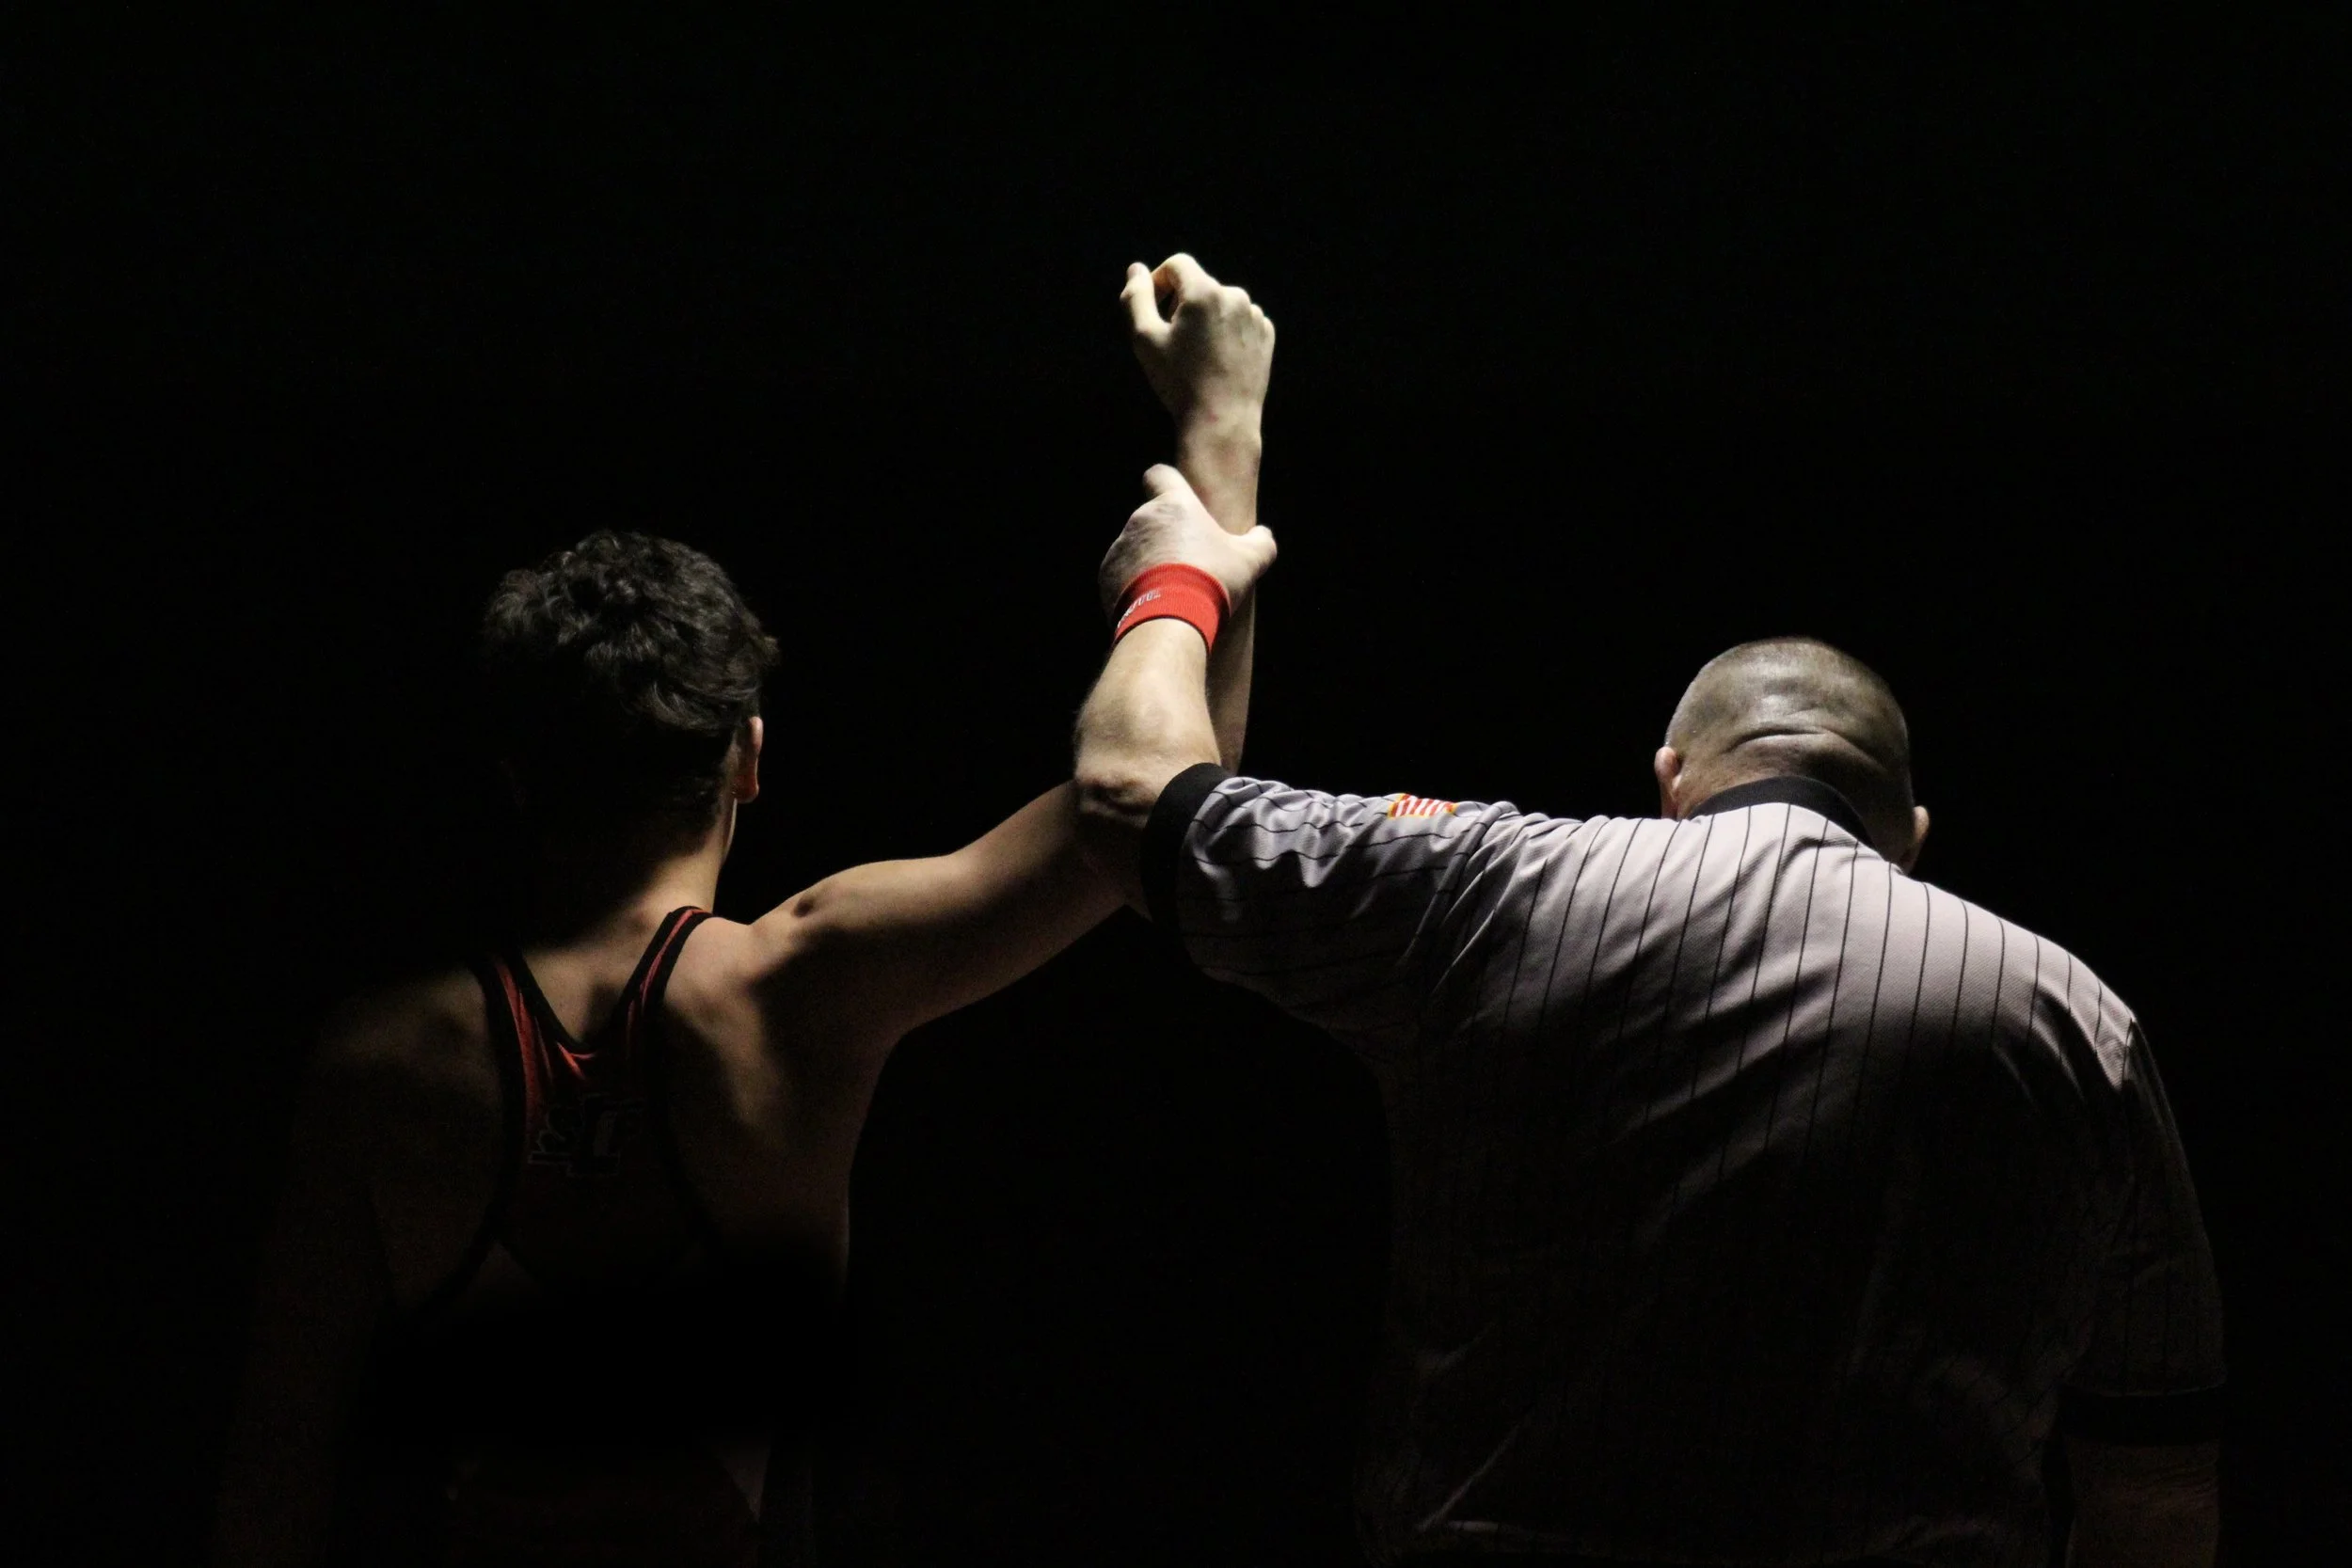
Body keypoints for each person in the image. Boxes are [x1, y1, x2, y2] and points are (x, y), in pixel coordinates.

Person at [212, 255, 1279, 1567]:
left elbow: (269, 1487)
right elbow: (1164, 803)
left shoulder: (375, 1062)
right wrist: (1221, 434)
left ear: (514, 773)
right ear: (752, 757)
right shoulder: (802, 988)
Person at [1072, 505, 2225, 1568]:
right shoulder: (2082, 1022)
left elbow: (1130, 795)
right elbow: (2156, 1487)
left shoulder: (1494, 883)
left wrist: (1182, 574)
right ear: (1909, 833)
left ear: (1670, 778)